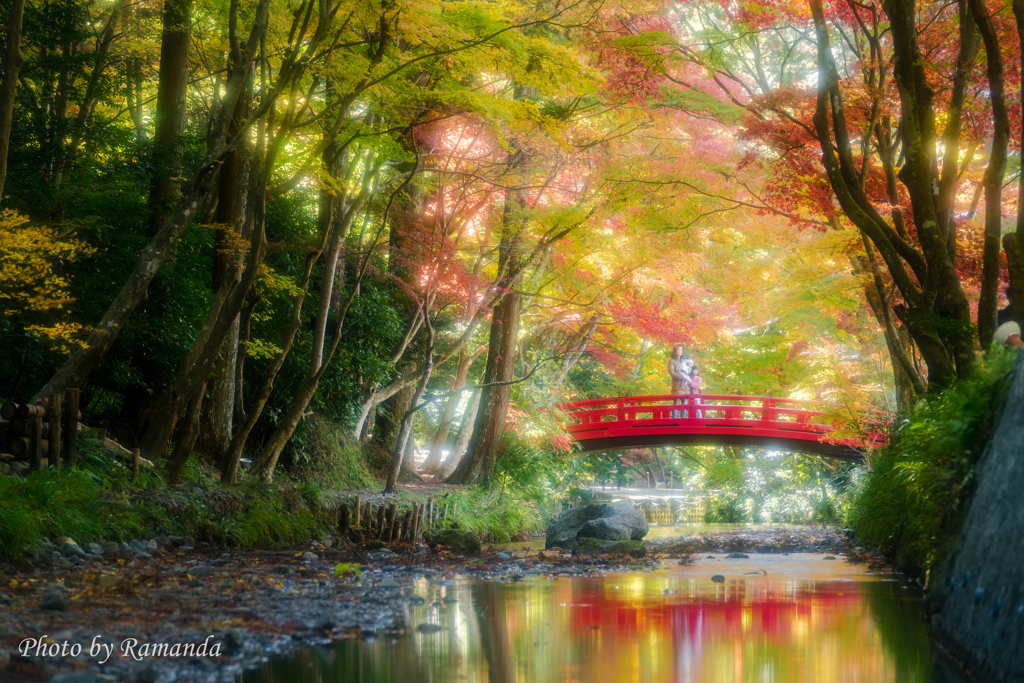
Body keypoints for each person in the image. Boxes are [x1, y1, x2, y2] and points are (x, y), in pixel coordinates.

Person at [667, 344, 691, 418]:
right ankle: (675, 419)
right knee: (676, 401)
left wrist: (687, 372)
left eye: (681, 350)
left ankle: (682, 419)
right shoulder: (671, 360)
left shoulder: (684, 360)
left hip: (685, 385)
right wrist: (682, 377)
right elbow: (671, 372)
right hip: (677, 384)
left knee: (684, 402)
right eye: (678, 349)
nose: (680, 351)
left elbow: (689, 369)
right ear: (675, 350)